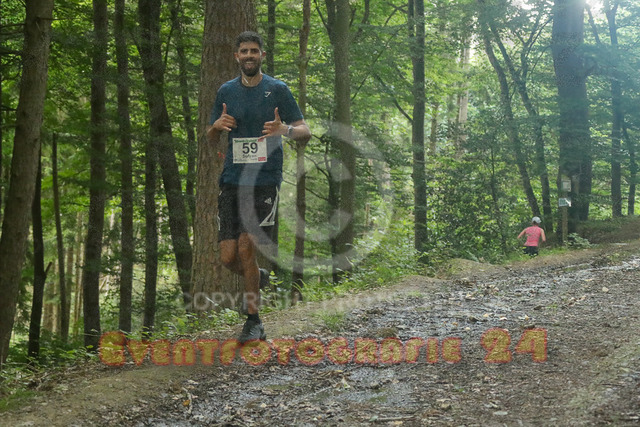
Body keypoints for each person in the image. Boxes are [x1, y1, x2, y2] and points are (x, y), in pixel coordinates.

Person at [206, 31, 311, 343]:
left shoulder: (277, 90)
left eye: (254, 51)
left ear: (262, 55)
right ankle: (258, 277)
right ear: (236, 57)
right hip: (231, 180)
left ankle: (254, 321)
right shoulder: (226, 91)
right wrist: (216, 127)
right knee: (228, 257)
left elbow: (305, 131)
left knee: (246, 247)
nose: (249, 56)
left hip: (264, 181)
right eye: (244, 51)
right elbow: (211, 138)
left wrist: (285, 129)